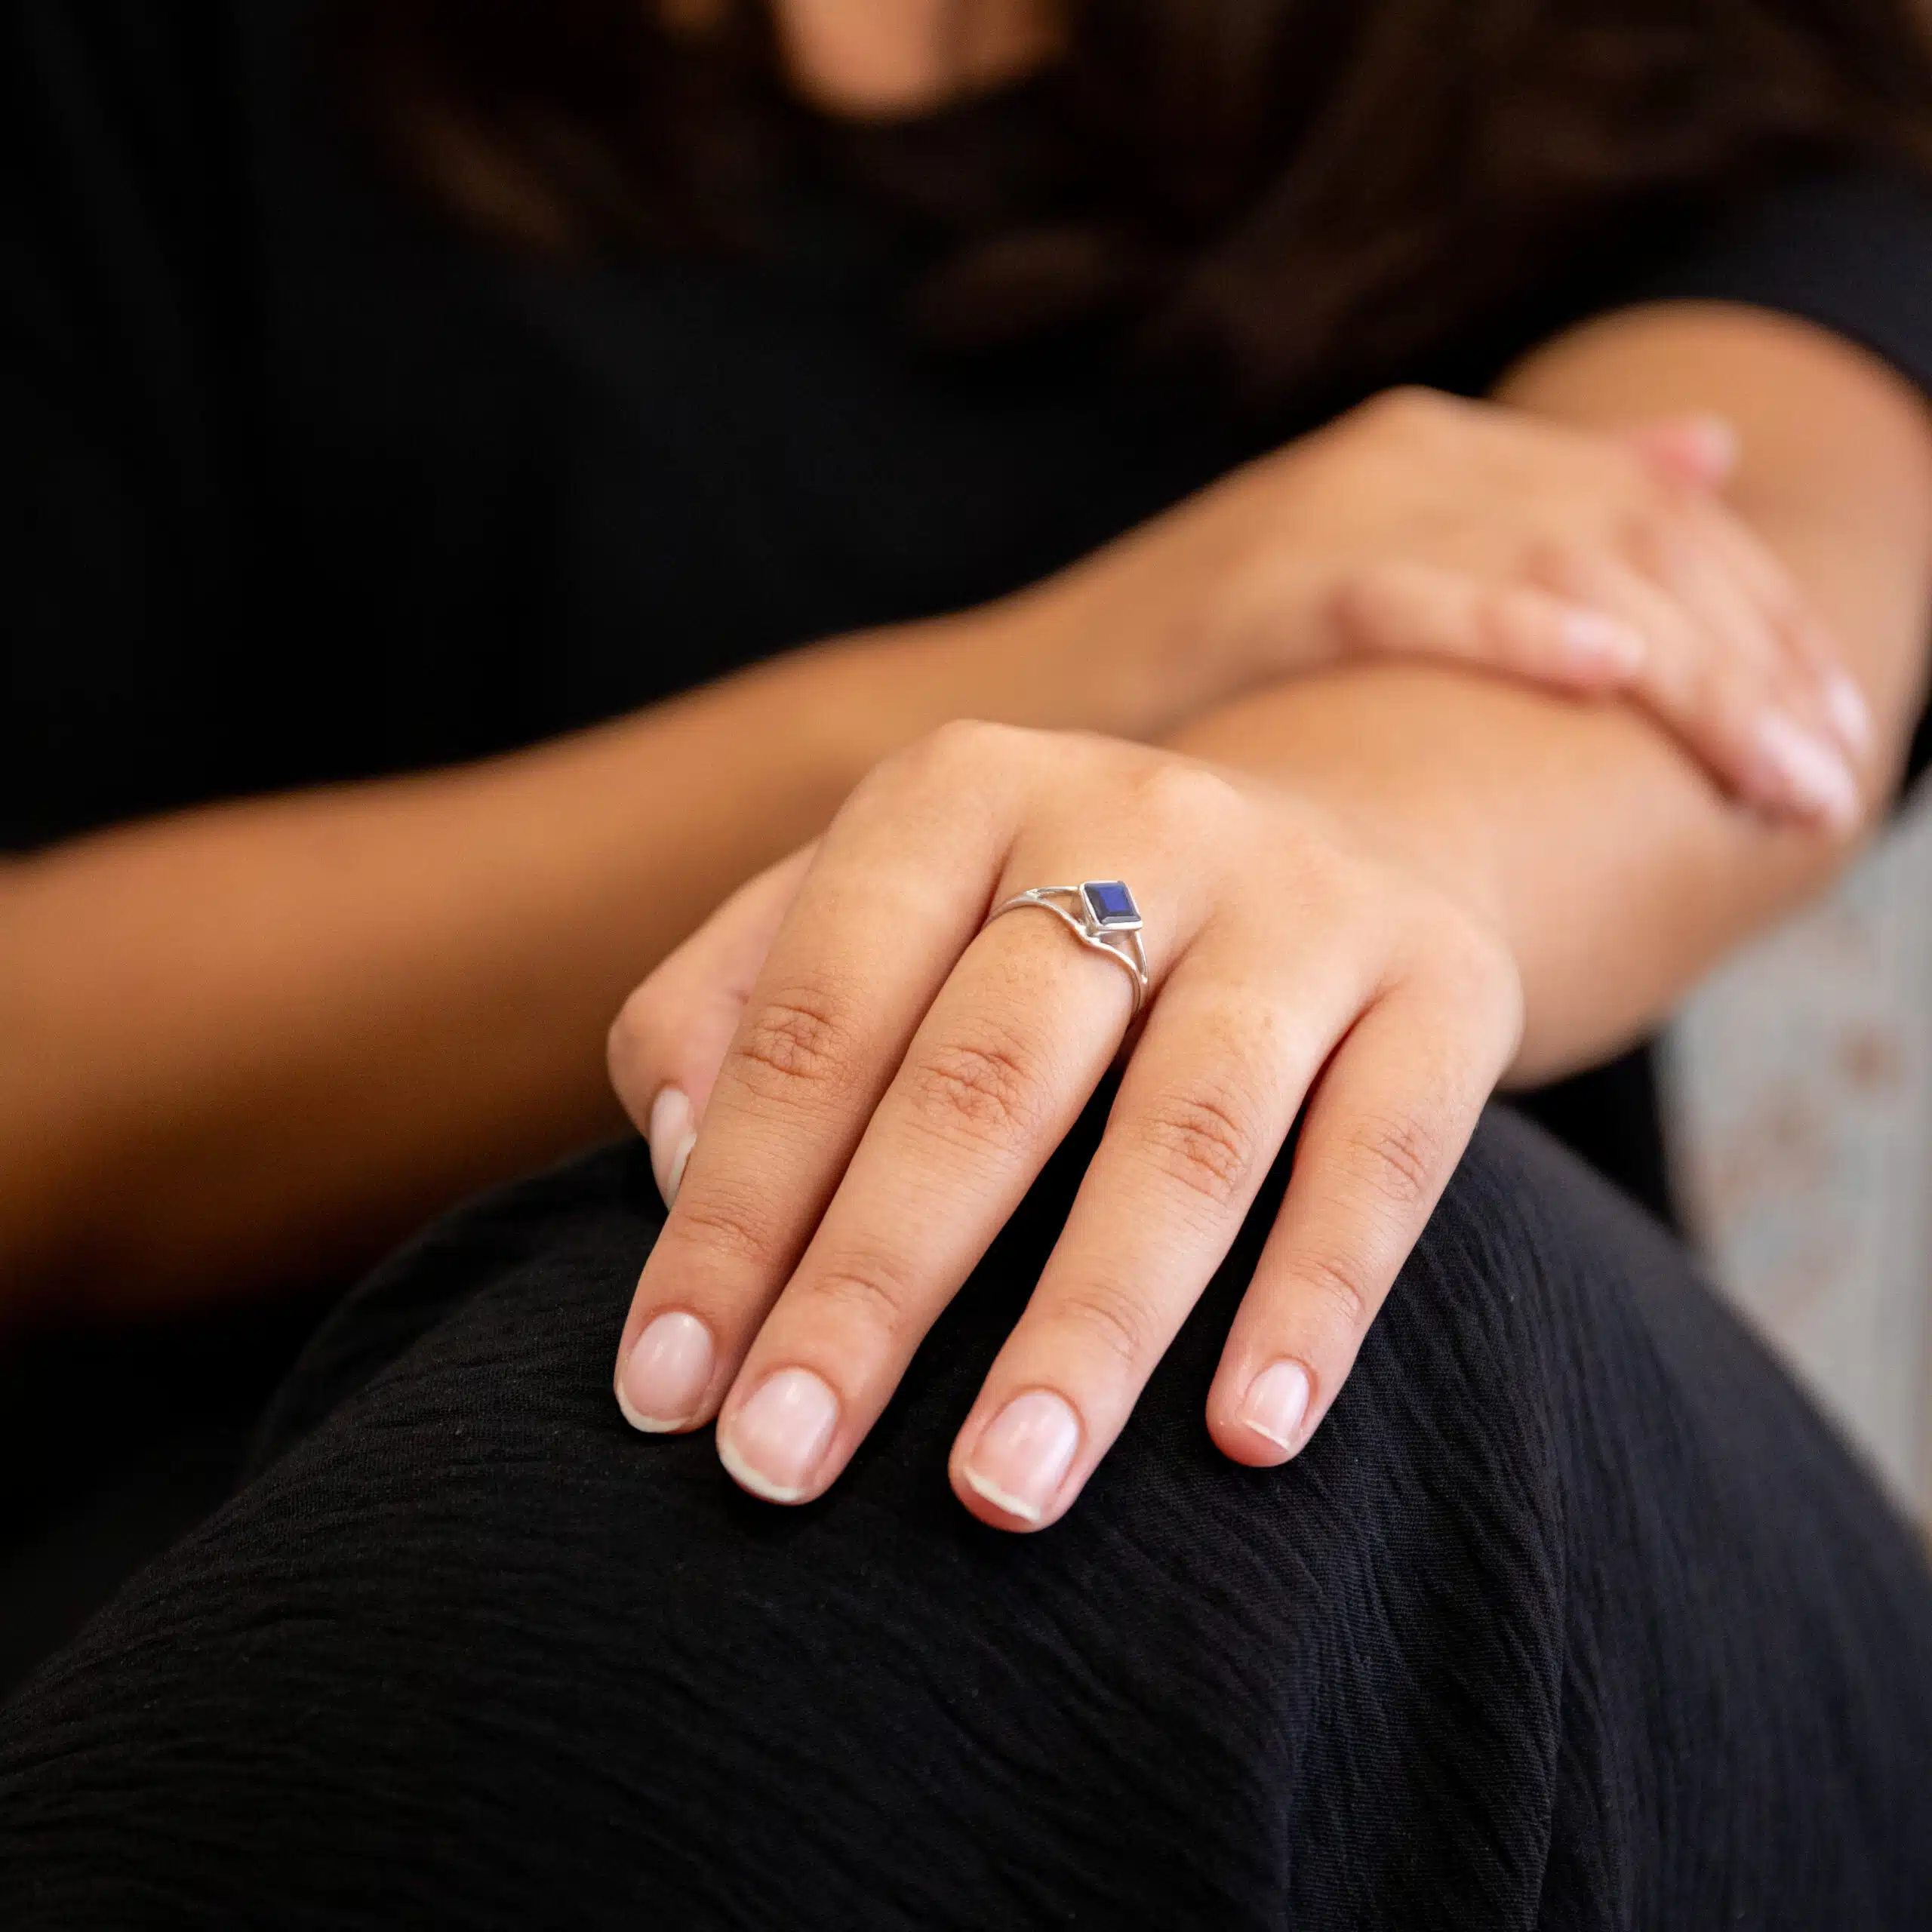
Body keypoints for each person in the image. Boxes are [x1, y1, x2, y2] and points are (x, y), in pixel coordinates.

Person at [2, 0, 1930, 1921]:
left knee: (1195, 1238)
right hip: (258, 1532)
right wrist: (1053, 680)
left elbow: (1737, 637)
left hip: (1490, 1634)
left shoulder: (1669, 55)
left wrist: (1310, 860)